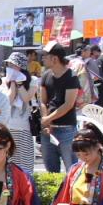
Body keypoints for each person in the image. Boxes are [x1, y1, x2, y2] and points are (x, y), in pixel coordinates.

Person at [39, 43, 80, 173]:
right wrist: (46, 121)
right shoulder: (46, 75)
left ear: (55, 58)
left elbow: (68, 104)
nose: (43, 59)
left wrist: (48, 119)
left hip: (66, 129)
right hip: (48, 130)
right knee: (51, 170)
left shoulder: (71, 76)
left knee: (71, 169)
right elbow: (42, 101)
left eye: (45, 56)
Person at [1, 52, 37, 175]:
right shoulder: (2, 81)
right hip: (7, 127)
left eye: (13, 65)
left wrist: (20, 83)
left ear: (21, 67)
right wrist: (11, 83)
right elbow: (8, 100)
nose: (10, 67)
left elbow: (26, 98)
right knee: (8, 163)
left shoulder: (32, 81)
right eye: (8, 64)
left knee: (25, 165)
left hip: (23, 128)